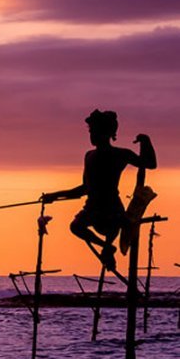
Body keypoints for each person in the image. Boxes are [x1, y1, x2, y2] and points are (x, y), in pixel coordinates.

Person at [42, 110, 156, 271]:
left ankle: (108, 248)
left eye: (94, 131)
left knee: (112, 226)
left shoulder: (120, 154)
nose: (92, 135)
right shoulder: (89, 156)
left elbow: (150, 164)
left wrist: (146, 141)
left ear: (107, 133)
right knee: (75, 226)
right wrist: (54, 195)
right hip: (92, 207)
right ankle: (107, 248)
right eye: (91, 131)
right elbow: (84, 189)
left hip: (111, 207)